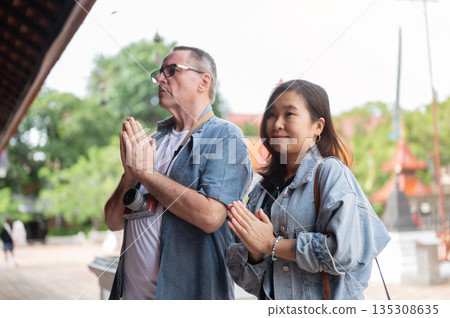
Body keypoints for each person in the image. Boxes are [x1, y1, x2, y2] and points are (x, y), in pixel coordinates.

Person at [105, 46, 252, 300]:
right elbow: (112, 221)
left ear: (203, 81)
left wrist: (147, 174)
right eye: (159, 73)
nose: (160, 79)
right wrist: (130, 177)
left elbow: (210, 216)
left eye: (172, 71)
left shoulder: (224, 136)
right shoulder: (154, 141)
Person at [226, 79, 390, 300]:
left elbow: (342, 253)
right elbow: (252, 284)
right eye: (272, 115)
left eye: (289, 114)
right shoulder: (261, 191)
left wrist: (271, 244)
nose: (277, 124)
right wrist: (255, 253)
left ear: (318, 126)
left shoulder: (330, 174)